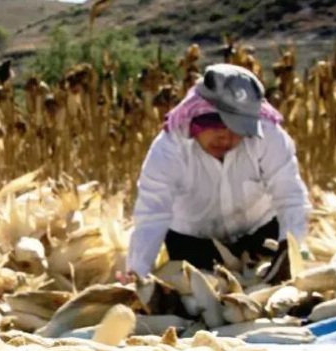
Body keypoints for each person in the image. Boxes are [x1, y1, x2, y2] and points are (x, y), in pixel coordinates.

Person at [126, 64, 311, 283]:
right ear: (197, 118)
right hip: (193, 244)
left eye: (237, 128)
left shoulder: (268, 136)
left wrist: (291, 253)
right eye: (217, 124)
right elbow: (152, 214)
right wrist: (137, 273)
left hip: (259, 236)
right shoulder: (169, 149)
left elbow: (290, 196)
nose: (227, 136)